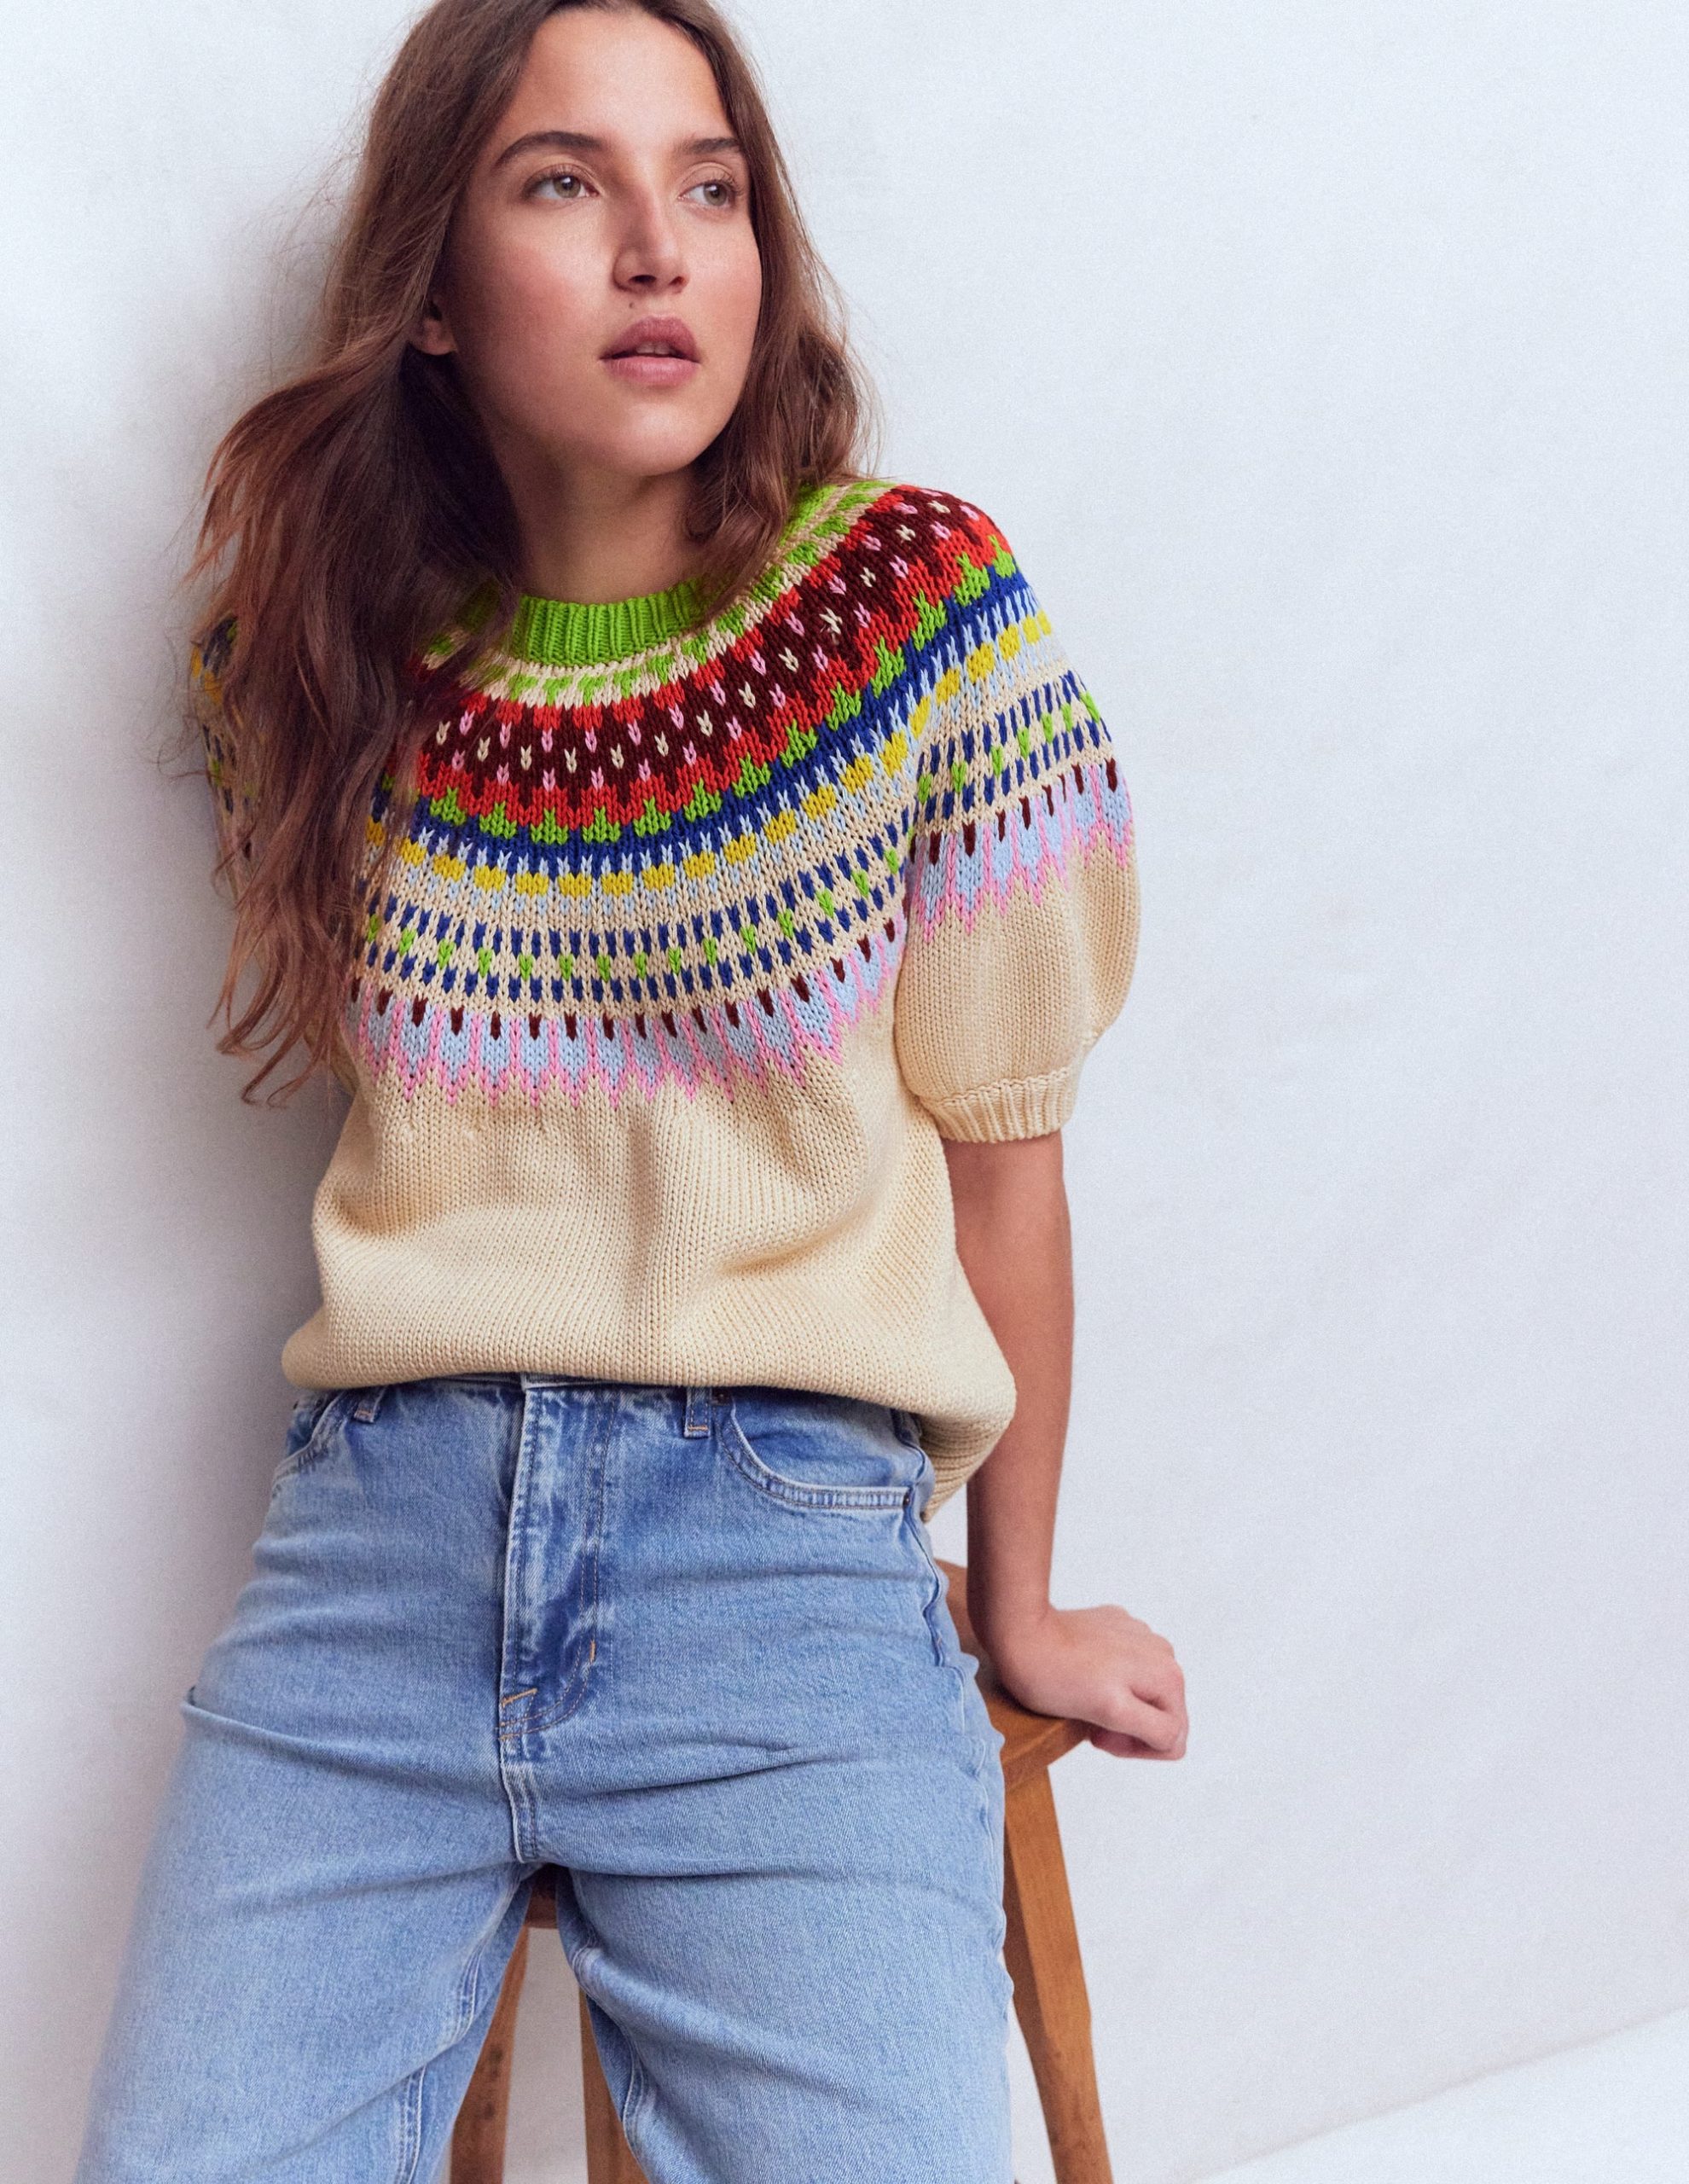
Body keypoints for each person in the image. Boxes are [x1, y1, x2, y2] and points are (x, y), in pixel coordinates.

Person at [75, 3, 1187, 2178]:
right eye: (563, 182)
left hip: (782, 1568)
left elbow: (1007, 1164)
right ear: (430, 287)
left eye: (712, 185)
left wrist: (1022, 1596)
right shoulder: (325, 665)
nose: (659, 248)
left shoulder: (917, 617)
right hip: (376, 1569)